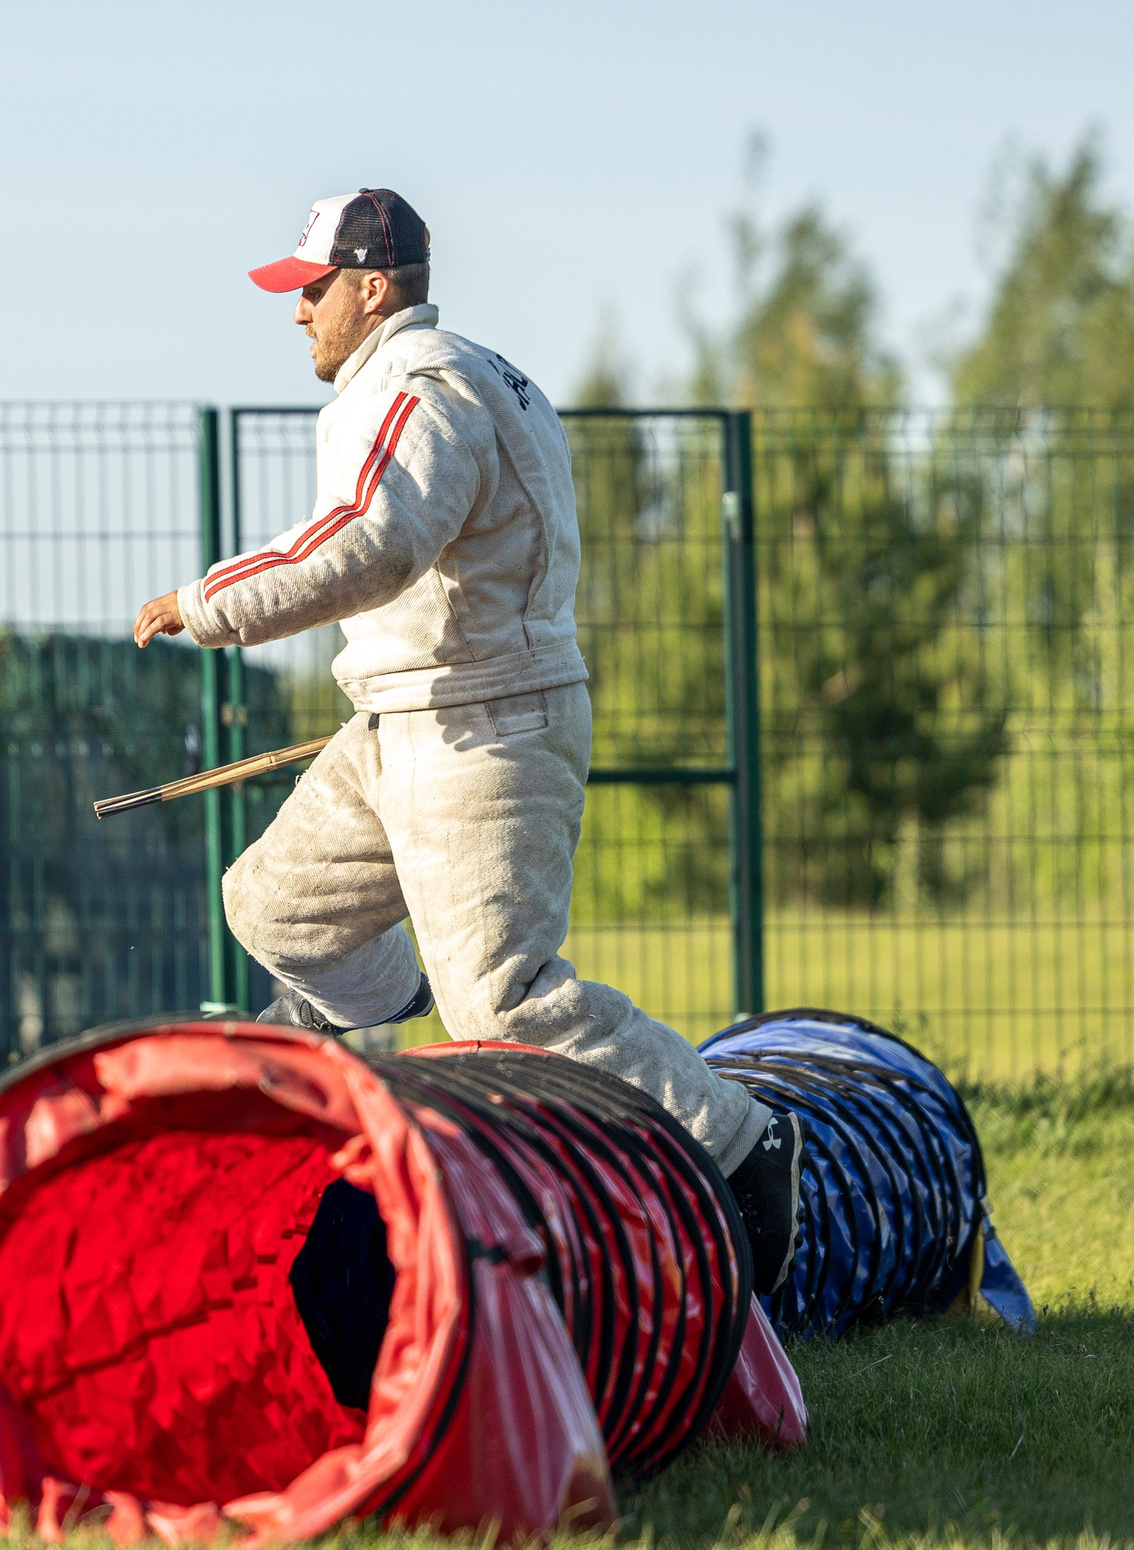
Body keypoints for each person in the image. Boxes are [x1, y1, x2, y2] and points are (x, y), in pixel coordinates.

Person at [132, 188, 803, 1286]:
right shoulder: (461, 376)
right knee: (270, 903)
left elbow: (375, 540)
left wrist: (207, 601)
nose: (297, 312)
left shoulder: (421, 384)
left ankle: (739, 1137)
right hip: (403, 713)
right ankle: (377, 1007)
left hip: (481, 727)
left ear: (373, 287)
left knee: (504, 1001)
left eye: (311, 290)